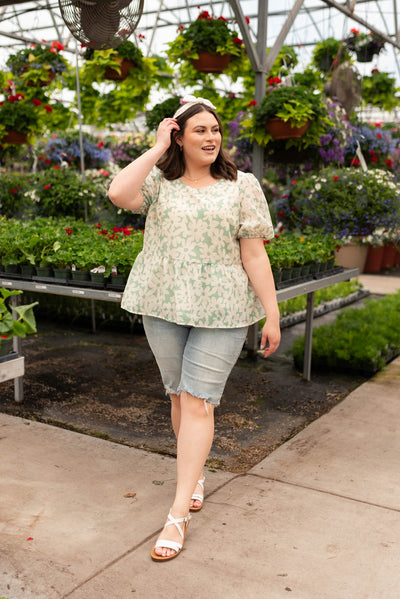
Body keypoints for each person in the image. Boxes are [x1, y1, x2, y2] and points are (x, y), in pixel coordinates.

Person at [108, 95, 281, 562]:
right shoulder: (159, 184)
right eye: (199, 130)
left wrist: (273, 311)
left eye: (215, 130)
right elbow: (118, 194)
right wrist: (156, 144)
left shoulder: (241, 185)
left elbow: (254, 252)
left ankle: (178, 512)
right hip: (162, 300)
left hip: (222, 307)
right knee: (178, 394)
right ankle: (195, 475)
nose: (210, 137)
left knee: (198, 399)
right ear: (180, 136)